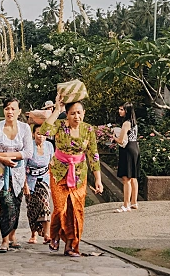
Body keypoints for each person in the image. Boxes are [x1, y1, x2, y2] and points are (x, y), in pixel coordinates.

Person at [39, 92, 103, 257]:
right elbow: (45, 131)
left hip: (79, 175)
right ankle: (54, 237)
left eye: (79, 113)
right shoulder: (60, 125)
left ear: (84, 113)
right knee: (60, 209)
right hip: (59, 172)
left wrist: (98, 179)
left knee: (75, 211)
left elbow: (93, 155)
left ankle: (71, 246)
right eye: (72, 113)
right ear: (67, 114)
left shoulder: (88, 129)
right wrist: (57, 108)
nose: (76, 116)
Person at [0, 98, 33, 253]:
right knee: (6, 204)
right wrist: (2, 158)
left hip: (18, 173)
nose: (10, 112)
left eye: (14, 109)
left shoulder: (25, 128)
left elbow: (28, 152)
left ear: (19, 111)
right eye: (7, 108)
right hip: (1, 172)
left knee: (16, 205)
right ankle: (4, 239)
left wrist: (8, 155)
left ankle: (13, 235)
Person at [25, 123, 54, 245]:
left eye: (43, 134)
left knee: (45, 205)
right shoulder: (29, 146)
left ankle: (47, 234)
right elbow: (23, 166)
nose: (40, 136)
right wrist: (24, 184)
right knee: (32, 208)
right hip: (31, 181)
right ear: (33, 134)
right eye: (38, 133)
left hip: (45, 181)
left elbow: (52, 163)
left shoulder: (49, 146)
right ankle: (34, 234)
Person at [114, 102, 140, 213]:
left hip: (127, 150)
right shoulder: (134, 122)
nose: (120, 111)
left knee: (126, 179)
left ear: (127, 111)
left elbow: (121, 140)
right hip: (135, 148)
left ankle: (126, 204)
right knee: (133, 177)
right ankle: (134, 202)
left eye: (122, 109)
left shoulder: (126, 123)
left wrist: (113, 137)